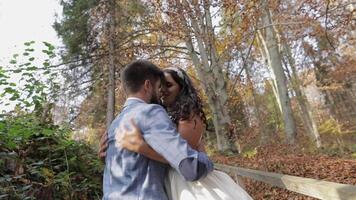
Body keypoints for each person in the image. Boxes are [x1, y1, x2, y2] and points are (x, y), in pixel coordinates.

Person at [102, 66, 253, 200]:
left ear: (181, 87)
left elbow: (184, 162)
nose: (162, 90)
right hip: (169, 181)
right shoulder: (153, 114)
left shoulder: (188, 116)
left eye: (168, 85)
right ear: (148, 85)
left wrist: (142, 148)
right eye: (160, 86)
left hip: (189, 184)